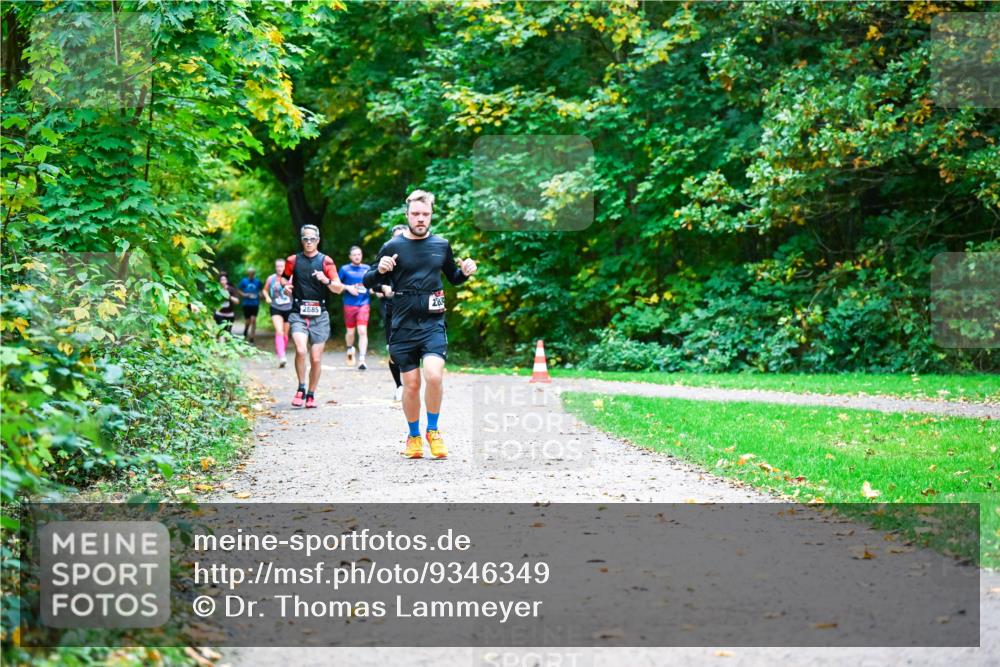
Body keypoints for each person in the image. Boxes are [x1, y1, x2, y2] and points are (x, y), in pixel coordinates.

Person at [363, 190, 478, 459]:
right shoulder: (393, 247)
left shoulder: (441, 245)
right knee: (411, 384)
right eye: (415, 214)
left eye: (425, 214)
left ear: (431, 215)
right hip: (402, 323)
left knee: (434, 375)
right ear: (407, 215)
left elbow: (454, 277)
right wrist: (380, 270)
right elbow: (368, 280)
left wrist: (466, 272)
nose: (420, 219)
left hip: (433, 322)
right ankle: (414, 436)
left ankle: (433, 431)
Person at [281, 224, 345, 408]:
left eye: (312, 239)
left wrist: (325, 280)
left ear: (318, 240)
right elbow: (284, 278)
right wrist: (285, 286)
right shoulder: (293, 260)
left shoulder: (326, 261)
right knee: (301, 350)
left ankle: (311, 394)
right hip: (298, 312)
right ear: (301, 240)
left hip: (320, 315)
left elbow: (338, 288)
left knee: (316, 358)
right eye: (305, 239)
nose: (308, 242)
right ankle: (301, 387)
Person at [375, 225, 407, 401]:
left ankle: (410, 385)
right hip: (392, 310)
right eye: (397, 237)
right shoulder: (385, 258)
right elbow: (371, 280)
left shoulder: (417, 258)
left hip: (412, 311)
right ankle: (399, 385)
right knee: (393, 351)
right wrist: (383, 287)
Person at [338, 245, 372, 370]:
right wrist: (348, 287)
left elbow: (371, 284)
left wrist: (376, 290)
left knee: (362, 331)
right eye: (354, 255)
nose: (357, 256)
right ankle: (350, 348)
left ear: (361, 255)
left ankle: (362, 359)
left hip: (364, 303)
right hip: (349, 304)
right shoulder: (345, 269)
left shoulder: (367, 268)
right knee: (350, 332)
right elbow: (337, 284)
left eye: (359, 254)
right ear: (350, 257)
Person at [263, 258, 292, 367]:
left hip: (289, 308)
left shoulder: (291, 278)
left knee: (285, 334)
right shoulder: (271, 278)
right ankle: (282, 356)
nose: (279, 268)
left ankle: (282, 351)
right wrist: (267, 297)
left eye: (282, 266)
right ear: (275, 267)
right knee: (279, 331)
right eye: (278, 266)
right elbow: (264, 290)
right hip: (276, 307)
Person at [238, 268, 262, 344]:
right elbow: (239, 289)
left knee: (253, 320)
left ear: (254, 274)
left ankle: (252, 337)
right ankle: (245, 331)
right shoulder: (244, 281)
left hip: (255, 303)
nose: (251, 275)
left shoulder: (257, 281)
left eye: (252, 273)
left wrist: (260, 295)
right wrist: (244, 294)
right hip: (246, 303)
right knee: (248, 321)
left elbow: (261, 290)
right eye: (250, 273)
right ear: (248, 274)